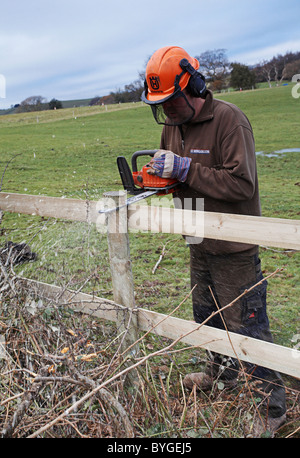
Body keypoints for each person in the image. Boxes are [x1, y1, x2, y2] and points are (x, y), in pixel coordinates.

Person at [141, 46, 286, 436]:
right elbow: (178, 177)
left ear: (194, 86)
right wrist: (162, 179)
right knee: (206, 315)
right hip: (197, 238)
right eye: (161, 105)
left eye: (171, 102)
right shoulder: (173, 125)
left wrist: (188, 168)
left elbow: (242, 184)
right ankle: (220, 376)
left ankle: (270, 407)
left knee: (247, 327)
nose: (167, 112)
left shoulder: (229, 121)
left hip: (234, 245)